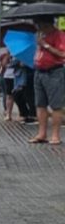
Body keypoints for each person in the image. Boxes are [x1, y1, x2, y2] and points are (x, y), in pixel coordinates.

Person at [30, 16, 65, 144]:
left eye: (39, 24)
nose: (37, 27)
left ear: (46, 23)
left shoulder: (59, 35)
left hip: (54, 72)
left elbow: (62, 54)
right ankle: (42, 133)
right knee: (40, 104)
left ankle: (55, 135)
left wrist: (45, 45)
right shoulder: (41, 35)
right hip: (39, 72)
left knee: (56, 105)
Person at [12, 58, 37, 124]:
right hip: (22, 76)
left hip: (29, 76)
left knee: (29, 96)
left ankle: (32, 115)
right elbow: (11, 64)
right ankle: (25, 114)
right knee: (18, 95)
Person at [1, 52, 16, 121]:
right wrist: (8, 55)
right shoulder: (7, 55)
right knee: (9, 95)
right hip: (9, 76)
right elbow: (3, 65)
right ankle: (8, 114)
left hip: (18, 76)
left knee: (19, 96)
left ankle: (23, 113)